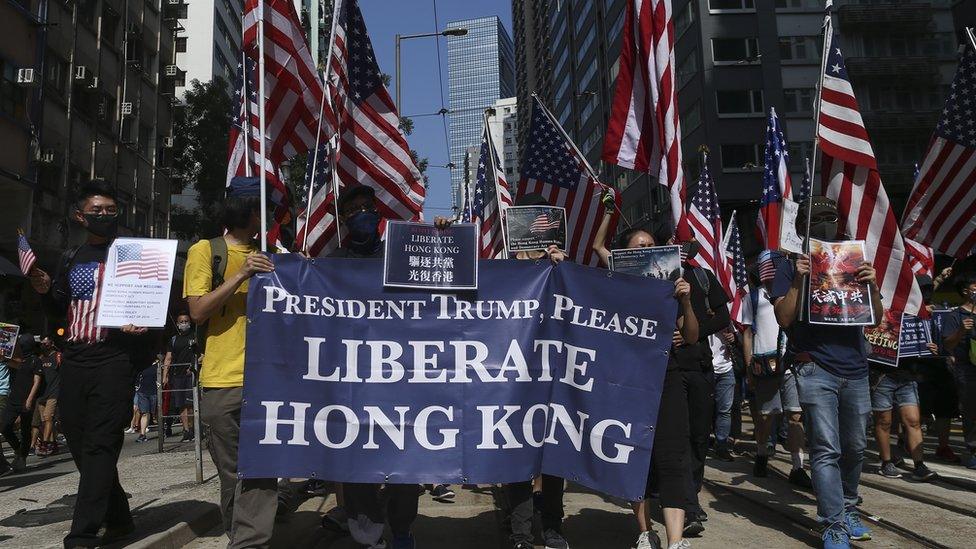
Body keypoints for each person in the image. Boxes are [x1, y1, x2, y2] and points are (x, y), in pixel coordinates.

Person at [28, 180, 148, 547]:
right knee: (78, 439)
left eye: (111, 211)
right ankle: (118, 516)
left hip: (114, 358)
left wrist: (140, 323)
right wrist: (46, 291)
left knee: (100, 443)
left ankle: (81, 534)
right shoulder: (70, 257)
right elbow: (59, 309)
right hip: (75, 359)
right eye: (97, 211)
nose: (105, 216)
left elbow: (151, 299)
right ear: (80, 216)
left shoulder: (133, 254)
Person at [771, 196, 883, 549]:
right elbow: (784, 318)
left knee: (855, 446)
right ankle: (833, 523)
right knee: (826, 448)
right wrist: (798, 281)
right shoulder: (788, 263)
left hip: (855, 367)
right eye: (816, 219)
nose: (826, 225)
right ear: (802, 225)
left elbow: (876, 319)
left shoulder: (852, 259)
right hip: (814, 367)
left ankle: (849, 505)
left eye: (831, 218)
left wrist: (872, 285)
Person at [593, 205, 701, 549]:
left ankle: (675, 540)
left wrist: (685, 303)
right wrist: (609, 211)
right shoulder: (617, 282)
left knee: (673, 456)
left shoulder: (672, 286)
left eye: (649, 247)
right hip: (627, 379)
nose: (643, 251)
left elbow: (693, 336)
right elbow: (598, 248)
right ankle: (644, 532)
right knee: (635, 455)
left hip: (666, 375)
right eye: (636, 248)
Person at [184, 176, 279, 548]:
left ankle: (249, 541)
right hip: (223, 380)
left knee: (261, 468)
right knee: (232, 473)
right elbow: (198, 311)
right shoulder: (207, 251)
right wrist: (241, 273)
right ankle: (240, 532)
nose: (268, 216)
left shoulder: (274, 252)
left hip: (269, 381)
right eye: (262, 208)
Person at [328, 185, 422, 549]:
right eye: (352, 211)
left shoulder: (401, 256)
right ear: (342, 220)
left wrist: (443, 237)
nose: (361, 214)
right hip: (352, 381)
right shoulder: (332, 264)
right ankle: (369, 537)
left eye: (367, 207)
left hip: (402, 379)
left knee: (406, 460)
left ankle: (401, 530)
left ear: (378, 212)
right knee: (356, 464)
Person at [742, 261, 811, 489]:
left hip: (790, 362)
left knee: (795, 415)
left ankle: (797, 466)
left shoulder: (795, 290)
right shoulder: (753, 297)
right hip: (765, 363)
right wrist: (749, 365)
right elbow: (748, 334)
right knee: (766, 416)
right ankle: (762, 453)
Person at [870, 274, 937, 482]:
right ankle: (886, 462)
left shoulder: (918, 313)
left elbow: (925, 342)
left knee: (913, 420)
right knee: (884, 421)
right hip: (882, 375)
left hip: (906, 375)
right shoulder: (880, 308)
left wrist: (929, 348)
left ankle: (919, 464)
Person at [942, 270, 976, 469]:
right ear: (965, 291)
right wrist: (962, 330)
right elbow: (948, 344)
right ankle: (972, 450)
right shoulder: (956, 315)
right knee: (972, 411)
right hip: (967, 370)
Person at [0, 334, 43, 475]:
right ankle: (18, 450)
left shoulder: (35, 361)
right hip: (14, 399)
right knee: (4, 426)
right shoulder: (20, 360)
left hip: (26, 400)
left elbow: (37, 381)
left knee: (25, 430)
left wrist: (30, 399)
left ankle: (22, 457)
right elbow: (9, 361)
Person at [163, 313, 197, 442]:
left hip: (191, 375)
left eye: (186, 321)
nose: (184, 323)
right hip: (177, 375)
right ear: (177, 324)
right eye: (181, 321)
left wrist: (193, 366)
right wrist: (165, 375)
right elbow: (168, 358)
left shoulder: (195, 336)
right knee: (181, 404)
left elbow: (201, 354)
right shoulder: (174, 339)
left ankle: (193, 429)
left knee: (190, 404)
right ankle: (186, 431)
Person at [709, 329, 737, 462]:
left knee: (725, 410)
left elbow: (743, 332)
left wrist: (734, 337)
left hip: (726, 368)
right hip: (705, 366)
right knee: (702, 408)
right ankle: (699, 443)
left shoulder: (730, 313)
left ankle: (721, 445)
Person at [35, 335, 62, 456]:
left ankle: (45, 444)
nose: (43, 346)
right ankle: (54, 444)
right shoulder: (40, 358)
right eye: (42, 344)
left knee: (48, 418)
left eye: (46, 343)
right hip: (42, 394)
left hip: (54, 392)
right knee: (43, 421)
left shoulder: (58, 356)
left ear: (51, 343)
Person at [133, 358, 158, 443]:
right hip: (143, 392)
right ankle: (142, 434)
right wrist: (137, 387)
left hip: (154, 391)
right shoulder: (141, 367)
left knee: (155, 412)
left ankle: (165, 428)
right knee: (144, 412)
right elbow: (137, 377)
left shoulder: (158, 366)